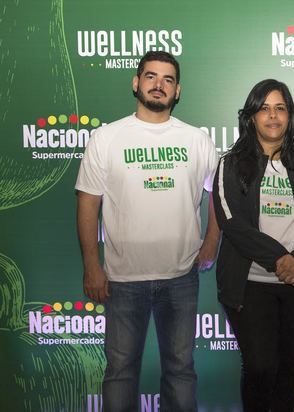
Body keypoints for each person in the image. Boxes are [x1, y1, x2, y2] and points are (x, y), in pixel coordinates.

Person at [76, 51, 220, 412]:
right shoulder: (107, 138)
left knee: (181, 370)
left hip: (181, 276)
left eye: (168, 79)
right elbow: (87, 204)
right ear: (136, 83)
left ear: (178, 91)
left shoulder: (197, 140)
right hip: (123, 279)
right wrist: (92, 266)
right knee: (121, 371)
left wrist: (211, 243)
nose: (159, 85)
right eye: (151, 77)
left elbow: (219, 195)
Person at [212, 79, 294, 412]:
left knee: (288, 365)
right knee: (260, 366)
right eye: (264, 108)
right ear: (251, 115)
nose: (273, 115)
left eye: (280, 108)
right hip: (250, 284)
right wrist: (282, 258)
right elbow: (231, 222)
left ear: (290, 116)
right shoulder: (231, 163)